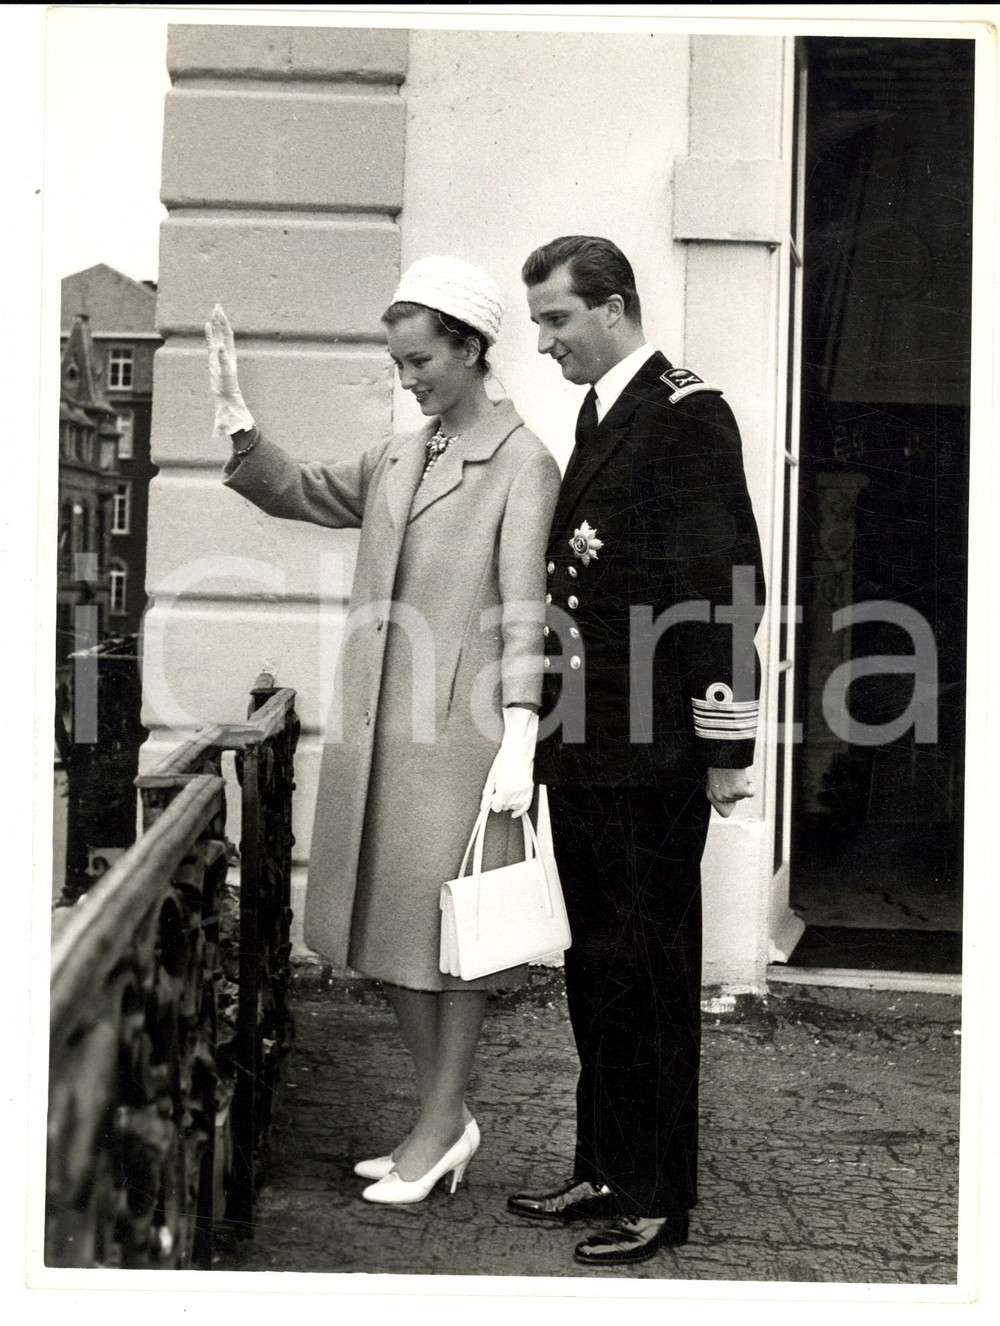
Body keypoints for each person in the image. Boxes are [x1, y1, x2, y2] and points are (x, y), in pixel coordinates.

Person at [205, 256, 561, 1206]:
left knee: (451, 942)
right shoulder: (407, 452)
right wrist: (243, 428)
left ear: (473, 349)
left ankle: (442, 1124)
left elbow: (526, 604)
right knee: (393, 932)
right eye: (399, 364)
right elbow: (306, 491)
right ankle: (442, 1118)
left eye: (421, 362)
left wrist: (522, 728)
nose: (408, 381)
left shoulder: (523, 462)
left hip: (461, 738)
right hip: (380, 733)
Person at [507, 236, 765, 1267]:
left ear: (612, 308)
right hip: (588, 748)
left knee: (651, 976)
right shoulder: (603, 410)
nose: (543, 341)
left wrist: (723, 745)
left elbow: (723, 589)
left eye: (557, 319)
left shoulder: (686, 415)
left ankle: (658, 1197)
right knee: (599, 968)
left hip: (651, 753)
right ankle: (605, 1167)